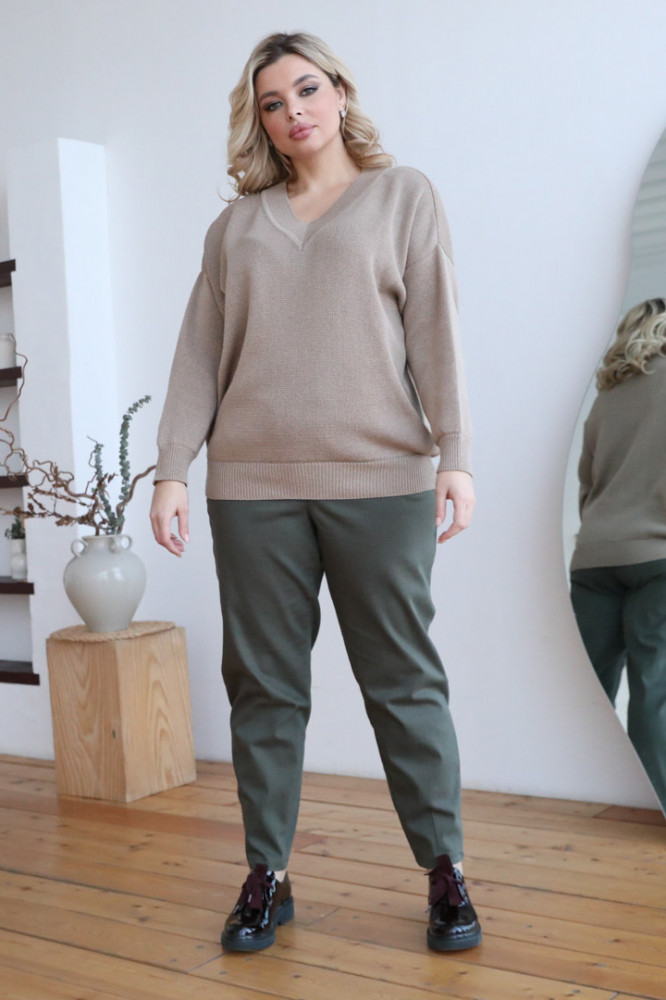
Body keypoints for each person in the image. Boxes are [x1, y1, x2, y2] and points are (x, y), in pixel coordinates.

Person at [150, 30, 481, 953]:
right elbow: (198, 356)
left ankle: (445, 869)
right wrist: (172, 468)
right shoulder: (235, 229)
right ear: (258, 120)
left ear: (339, 91)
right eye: (272, 102)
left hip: (381, 480)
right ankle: (268, 873)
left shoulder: (402, 196)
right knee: (262, 685)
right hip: (251, 488)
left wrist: (455, 452)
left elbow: (438, 331)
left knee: (403, 679)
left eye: (306, 90)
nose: (293, 111)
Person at [570, 298, 666, 811]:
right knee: (654, 687)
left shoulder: (607, 399)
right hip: (658, 558)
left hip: (595, 557)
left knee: (588, 694)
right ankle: (657, 806)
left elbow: (587, 486)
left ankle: (582, 795)